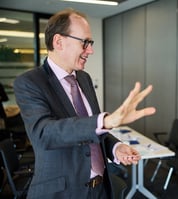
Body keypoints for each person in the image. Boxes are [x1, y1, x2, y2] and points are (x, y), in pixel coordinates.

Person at [13, 8, 156, 199]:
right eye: (85, 43)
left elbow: (91, 132)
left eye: (91, 43)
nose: (91, 50)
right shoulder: (29, 82)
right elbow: (44, 134)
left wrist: (115, 147)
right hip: (62, 192)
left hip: (100, 188)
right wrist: (105, 121)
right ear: (59, 42)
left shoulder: (84, 79)